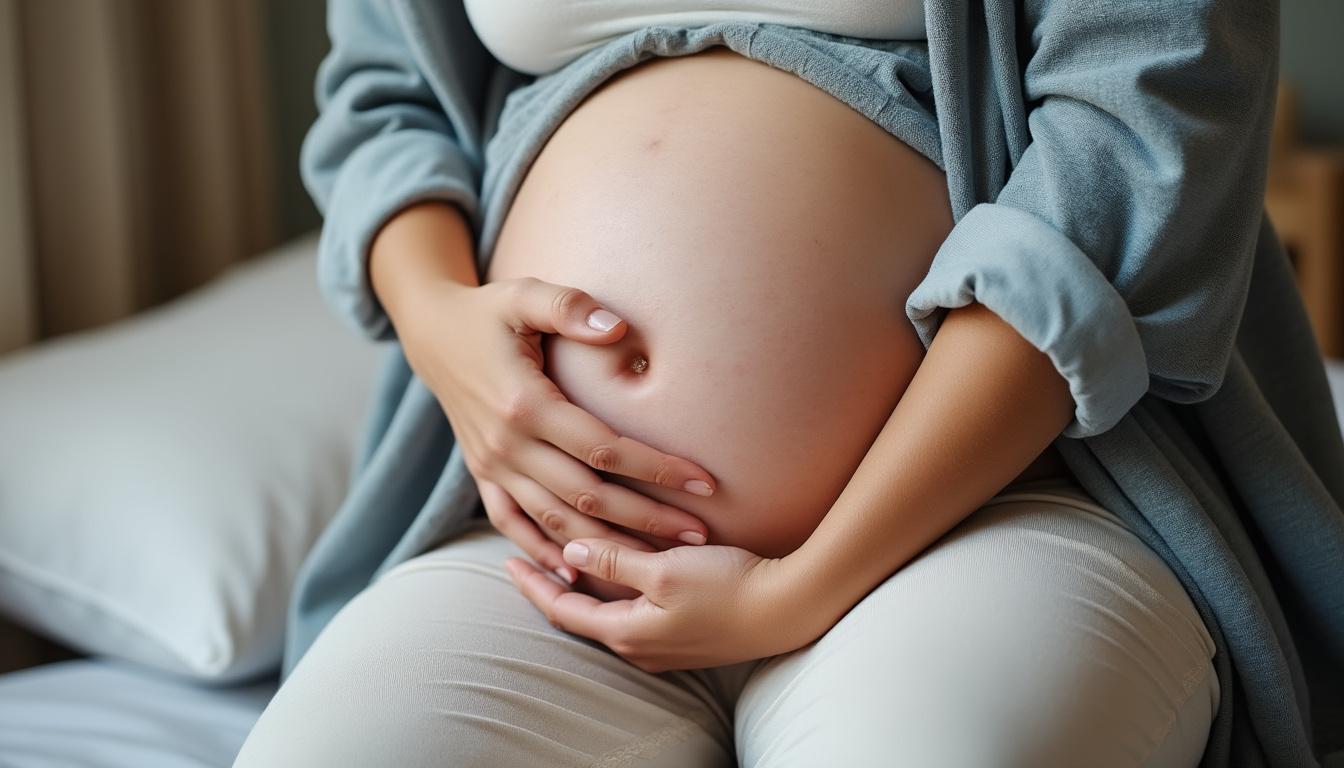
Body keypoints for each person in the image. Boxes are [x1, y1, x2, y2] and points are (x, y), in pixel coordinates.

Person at [234, 1, 1344, 766]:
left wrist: (801, 588)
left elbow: (1135, 137)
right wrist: (445, 329)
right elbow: (385, 103)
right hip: (555, 551)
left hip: (998, 512)